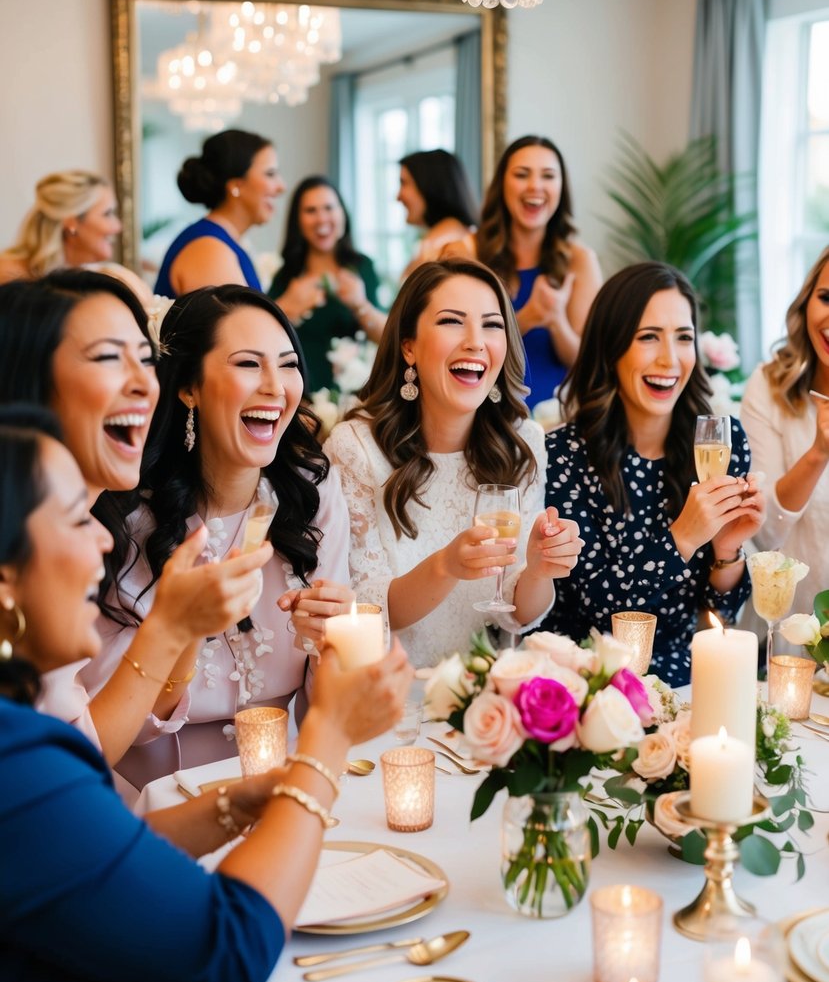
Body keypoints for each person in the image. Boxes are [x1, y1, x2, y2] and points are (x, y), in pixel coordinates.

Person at [0, 411, 412, 982]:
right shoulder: (15, 757)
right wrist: (326, 740)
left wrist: (234, 805)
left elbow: (82, 855)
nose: (104, 545)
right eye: (78, 519)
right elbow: (228, 947)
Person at [0, 272, 274, 774]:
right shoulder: (30, 548)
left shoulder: (96, 522)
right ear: (27, 382)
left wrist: (185, 628)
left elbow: (78, 744)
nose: (144, 383)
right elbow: (63, 774)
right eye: (108, 357)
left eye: (147, 359)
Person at [87, 285, 354, 787]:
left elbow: (329, 710)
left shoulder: (312, 494)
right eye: (248, 364)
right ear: (189, 387)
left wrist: (334, 642)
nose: (276, 387)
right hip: (153, 802)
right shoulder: (122, 519)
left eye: (288, 364)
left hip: (280, 785)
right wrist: (181, 633)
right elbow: (109, 729)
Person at [324, 259, 584, 668]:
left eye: (492, 325)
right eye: (452, 322)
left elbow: (515, 614)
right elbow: (365, 613)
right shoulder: (356, 448)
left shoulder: (523, 444)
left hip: (482, 699)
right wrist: (446, 566)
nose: (475, 342)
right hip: (388, 697)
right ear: (408, 345)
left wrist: (538, 569)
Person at [541, 262, 766, 684]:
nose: (669, 358)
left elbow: (719, 617)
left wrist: (728, 551)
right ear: (611, 347)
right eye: (648, 337)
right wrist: (682, 537)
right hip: (584, 685)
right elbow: (601, 617)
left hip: (683, 682)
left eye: (684, 337)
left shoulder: (720, 443)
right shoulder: (562, 455)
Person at [476, 135, 602, 409]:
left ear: (561, 188)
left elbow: (589, 361)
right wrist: (528, 318)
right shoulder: (467, 253)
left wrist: (557, 321)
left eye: (548, 176)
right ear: (502, 185)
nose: (535, 186)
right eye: (522, 175)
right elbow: (462, 344)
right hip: (482, 415)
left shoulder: (580, 260)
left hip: (555, 420)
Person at [741, 246, 829, 622]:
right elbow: (765, 537)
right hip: (790, 629)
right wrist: (817, 454)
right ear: (806, 301)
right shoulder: (769, 385)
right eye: (825, 298)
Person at [269, 175, 385, 390]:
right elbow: (261, 337)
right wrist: (287, 306)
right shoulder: (286, 276)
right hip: (298, 395)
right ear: (298, 221)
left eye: (329, 208)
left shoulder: (362, 267)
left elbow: (388, 338)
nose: (322, 219)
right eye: (311, 211)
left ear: (342, 214)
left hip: (354, 394)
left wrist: (360, 305)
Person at [155, 129, 284, 296]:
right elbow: (241, 322)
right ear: (237, 186)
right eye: (270, 174)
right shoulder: (208, 250)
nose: (281, 187)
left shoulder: (222, 241)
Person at [0, 169, 152, 304]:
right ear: (71, 224)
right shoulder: (10, 276)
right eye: (107, 214)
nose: (118, 227)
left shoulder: (102, 276)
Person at [397, 149, 478, 278]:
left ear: (428, 185)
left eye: (404, 183)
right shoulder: (436, 241)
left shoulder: (445, 245)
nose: (398, 196)